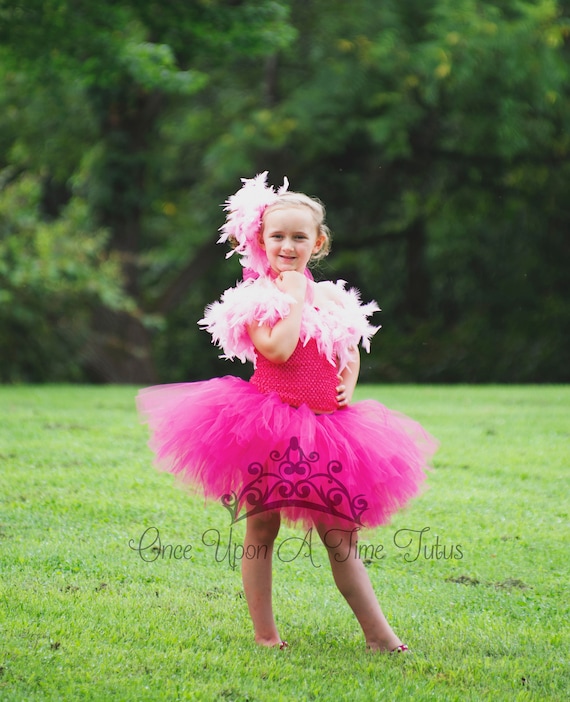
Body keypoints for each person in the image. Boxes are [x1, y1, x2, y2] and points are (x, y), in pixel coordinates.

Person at [136, 172, 437, 653]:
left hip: (326, 430)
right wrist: (293, 296)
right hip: (267, 425)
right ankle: (265, 634)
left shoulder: (334, 298)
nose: (288, 245)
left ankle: (379, 635)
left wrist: (347, 383)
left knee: (340, 537)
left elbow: (349, 348)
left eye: (300, 237)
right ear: (261, 241)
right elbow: (276, 350)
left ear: (318, 243)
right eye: (278, 236)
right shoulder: (256, 299)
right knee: (261, 526)